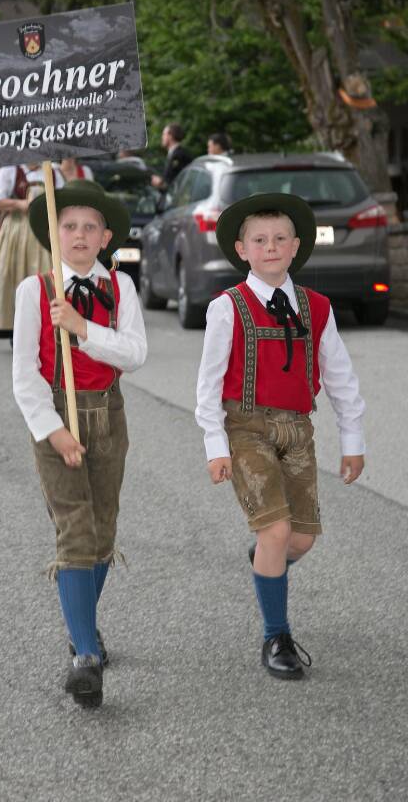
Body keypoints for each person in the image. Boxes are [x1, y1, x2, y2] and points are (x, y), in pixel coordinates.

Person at [195, 193, 365, 680]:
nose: (270, 247)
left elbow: (340, 377)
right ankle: (277, 635)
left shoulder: (316, 307)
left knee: (302, 539)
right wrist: (215, 447)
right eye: (259, 240)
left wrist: (352, 439)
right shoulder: (227, 308)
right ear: (242, 249)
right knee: (275, 530)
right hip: (246, 429)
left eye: (279, 239)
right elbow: (207, 383)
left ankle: (266, 560)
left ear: (295, 248)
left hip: (298, 429)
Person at [13, 180, 148, 708]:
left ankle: (81, 627)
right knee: (75, 528)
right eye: (69, 226)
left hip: (107, 411)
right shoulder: (34, 290)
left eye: (91, 227)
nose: (79, 235)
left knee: (103, 530)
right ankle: (85, 657)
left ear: (106, 236)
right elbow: (24, 374)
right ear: (54, 233)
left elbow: (135, 354)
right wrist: (54, 429)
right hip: (55, 412)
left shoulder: (121, 288)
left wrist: (83, 326)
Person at [0, 163, 63, 340]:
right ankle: (15, 326)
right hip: (17, 229)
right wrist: (19, 204)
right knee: (12, 275)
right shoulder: (10, 170)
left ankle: (48, 326)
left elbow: (64, 201)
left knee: (47, 277)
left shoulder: (53, 170)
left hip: (45, 230)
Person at [150, 123, 193, 190]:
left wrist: (160, 182)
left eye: (164, 134)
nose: (162, 137)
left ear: (170, 136)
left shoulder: (178, 155)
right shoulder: (176, 153)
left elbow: (172, 182)